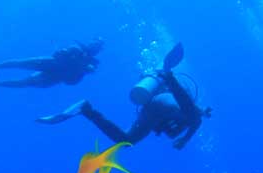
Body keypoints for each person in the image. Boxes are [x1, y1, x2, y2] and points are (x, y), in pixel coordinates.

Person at [38, 43, 207, 150]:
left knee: (126, 141)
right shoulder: (193, 116)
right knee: (190, 112)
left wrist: (184, 139)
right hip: (163, 100)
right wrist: (185, 139)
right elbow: (194, 117)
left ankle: (87, 110)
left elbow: (194, 119)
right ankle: (168, 75)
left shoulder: (190, 119)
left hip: (154, 111)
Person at [0, 40, 104, 110]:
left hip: (54, 75)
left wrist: (82, 67)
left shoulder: (88, 64)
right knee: (19, 65)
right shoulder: (77, 50)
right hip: (52, 66)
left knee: (24, 79)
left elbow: (73, 81)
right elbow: (59, 54)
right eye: (94, 44)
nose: (93, 47)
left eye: (96, 46)